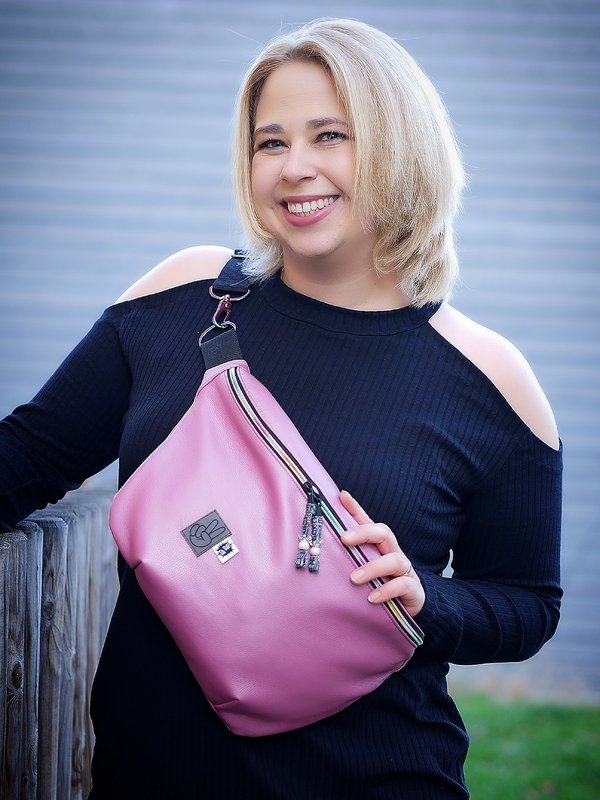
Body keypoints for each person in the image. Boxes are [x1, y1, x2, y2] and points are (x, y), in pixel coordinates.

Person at [0, 17, 562, 800]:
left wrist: (427, 598)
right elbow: (29, 458)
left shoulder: (492, 377)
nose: (295, 168)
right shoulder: (185, 297)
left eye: (331, 135)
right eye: (271, 142)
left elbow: (528, 604)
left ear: (401, 148)